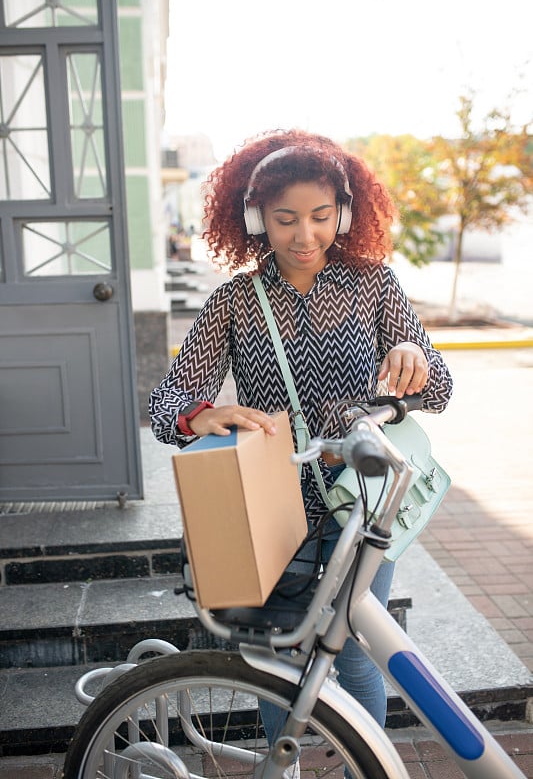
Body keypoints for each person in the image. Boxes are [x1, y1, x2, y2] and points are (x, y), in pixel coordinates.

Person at [149, 129, 453, 729]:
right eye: (285, 219)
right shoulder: (237, 299)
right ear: (257, 218)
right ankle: (280, 768)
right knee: (271, 656)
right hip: (271, 509)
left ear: (342, 213)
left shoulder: (375, 284)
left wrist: (414, 364)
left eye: (319, 217)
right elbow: (167, 401)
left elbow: (439, 389)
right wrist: (198, 414)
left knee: (359, 656)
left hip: (360, 504)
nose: (304, 235)